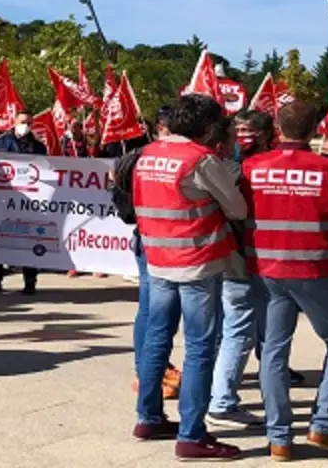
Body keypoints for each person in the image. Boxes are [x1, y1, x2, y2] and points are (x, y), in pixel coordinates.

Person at [130, 94, 247, 461]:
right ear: (209, 127)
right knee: (199, 347)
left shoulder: (148, 153)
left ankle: (148, 417)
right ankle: (191, 435)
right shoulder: (201, 160)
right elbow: (237, 208)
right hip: (197, 262)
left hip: (158, 258)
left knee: (156, 338)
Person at [241, 101, 328, 460]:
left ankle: (279, 438)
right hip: (316, 268)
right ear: (315, 130)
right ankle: (324, 427)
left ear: (277, 126)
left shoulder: (251, 166)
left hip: (267, 268)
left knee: (274, 350)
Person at [207, 109, 276, 429]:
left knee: (230, 331)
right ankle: (222, 402)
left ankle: (218, 394)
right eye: (238, 131)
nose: (241, 137)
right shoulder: (235, 171)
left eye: (246, 131)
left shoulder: (228, 169)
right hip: (241, 264)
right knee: (238, 332)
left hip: (237, 261)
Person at [113, 108, 183, 404]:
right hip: (159, 240)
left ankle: (148, 370)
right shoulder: (144, 158)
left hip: (147, 238)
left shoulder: (136, 158)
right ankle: (150, 373)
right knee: (159, 311)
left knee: (151, 307)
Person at [0, 111, 48, 295]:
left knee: (30, 239)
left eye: (28, 122)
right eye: (22, 122)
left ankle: (29, 280)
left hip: (29, 202)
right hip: (2, 200)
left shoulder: (38, 147)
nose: (25, 125)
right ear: (14, 122)